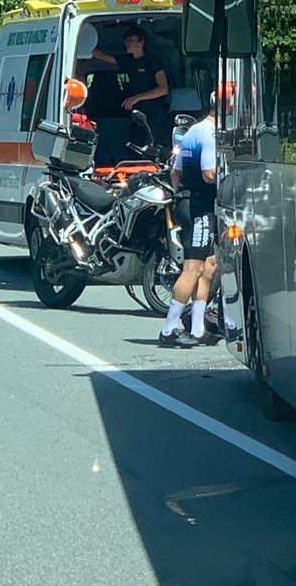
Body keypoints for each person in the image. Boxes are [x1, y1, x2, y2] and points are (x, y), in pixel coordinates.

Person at [160, 89, 218, 348]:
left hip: (186, 200)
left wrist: (177, 195)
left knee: (209, 266)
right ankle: (169, 327)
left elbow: (175, 172)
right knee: (193, 269)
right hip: (199, 205)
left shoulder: (193, 130)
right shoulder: (209, 134)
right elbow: (209, 173)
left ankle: (197, 328)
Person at [89, 26, 169, 120]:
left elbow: (163, 89)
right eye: (126, 40)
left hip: (155, 112)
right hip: (135, 113)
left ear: (141, 42)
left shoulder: (153, 60)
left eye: (130, 39)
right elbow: (103, 56)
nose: (127, 43)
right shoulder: (127, 60)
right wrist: (86, 44)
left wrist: (136, 98)